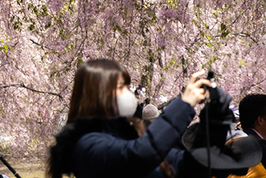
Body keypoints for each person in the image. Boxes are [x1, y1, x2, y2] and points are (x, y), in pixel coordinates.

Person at [47, 60, 211, 178]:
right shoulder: (87, 145)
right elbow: (140, 154)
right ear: (97, 96)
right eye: (120, 87)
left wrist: (213, 119)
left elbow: (186, 164)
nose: (128, 93)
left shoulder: (130, 137)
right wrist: (184, 104)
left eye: (127, 86)